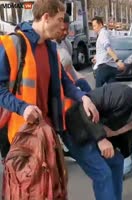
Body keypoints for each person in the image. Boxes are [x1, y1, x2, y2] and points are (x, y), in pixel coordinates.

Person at [0, 0, 98, 157]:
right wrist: (22, 108)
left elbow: (64, 81)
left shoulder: (51, 48)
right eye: (59, 20)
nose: (63, 26)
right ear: (46, 17)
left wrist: (83, 97)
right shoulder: (14, 43)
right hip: (19, 137)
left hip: (45, 133)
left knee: (52, 181)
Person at [64, 82, 132, 200]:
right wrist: (101, 139)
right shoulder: (120, 94)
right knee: (103, 173)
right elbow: (84, 106)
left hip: (94, 134)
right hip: (77, 131)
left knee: (117, 161)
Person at [55, 13, 91, 92]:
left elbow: (71, 68)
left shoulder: (67, 44)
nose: (66, 32)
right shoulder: (49, 45)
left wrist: (78, 76)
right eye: (63, 29)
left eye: (67, 29)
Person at [91, 16, 125, 87]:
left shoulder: (102, 34)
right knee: (112, 91)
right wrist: (97, 58)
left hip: (104, 67)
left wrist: (117, 61)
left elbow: (108, 49)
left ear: (100, 24)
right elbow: (104, 51)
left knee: (98, 91)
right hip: (111, 67)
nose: (93, 28)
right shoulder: (105, 33)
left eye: (95, 26)